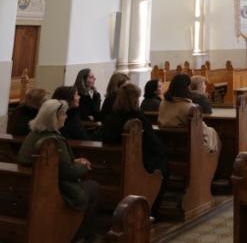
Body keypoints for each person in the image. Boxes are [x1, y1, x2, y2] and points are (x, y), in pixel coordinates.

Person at [18, 100, 99, 242]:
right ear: (54, 117)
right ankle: (79, 233)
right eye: (63, 114)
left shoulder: (33, 134)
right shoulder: (54, 140)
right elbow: (68, 172)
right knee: (93, 187)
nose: (66, 117)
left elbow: (53, 163)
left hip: (32, 185)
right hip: (54, 188)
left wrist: (74, 161)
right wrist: (84, 166)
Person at [99, 83, 169, 218]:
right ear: (134, 99)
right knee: (162, 166)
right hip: (137, 160)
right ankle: (152, 209)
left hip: (113, 161)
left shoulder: (111, 117)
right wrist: (162, 150)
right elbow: (152, 142)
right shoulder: (137, 118)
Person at [158, 73, 220, 154]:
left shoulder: (162, 103)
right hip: (188, 146)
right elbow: (202, 130)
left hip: (167, 144)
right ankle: (216, 161)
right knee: (213, 133)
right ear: (187, 88)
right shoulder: (190, 108)